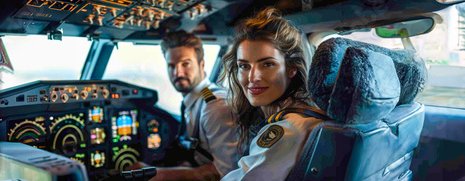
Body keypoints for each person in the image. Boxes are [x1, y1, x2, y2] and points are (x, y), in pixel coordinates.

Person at [219, 7, 328, 180]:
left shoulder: (287, 130)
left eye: (267, 64)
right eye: (244, 66)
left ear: (291, 68)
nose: (252, 78)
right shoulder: (304, 115)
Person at [127, 30, 240, 180]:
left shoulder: (214, 106)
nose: (177, 72)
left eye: (185, 64)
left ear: (202, 64)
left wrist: (158, 174)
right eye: (171, 66)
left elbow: (227, 172)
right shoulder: (195, 101)